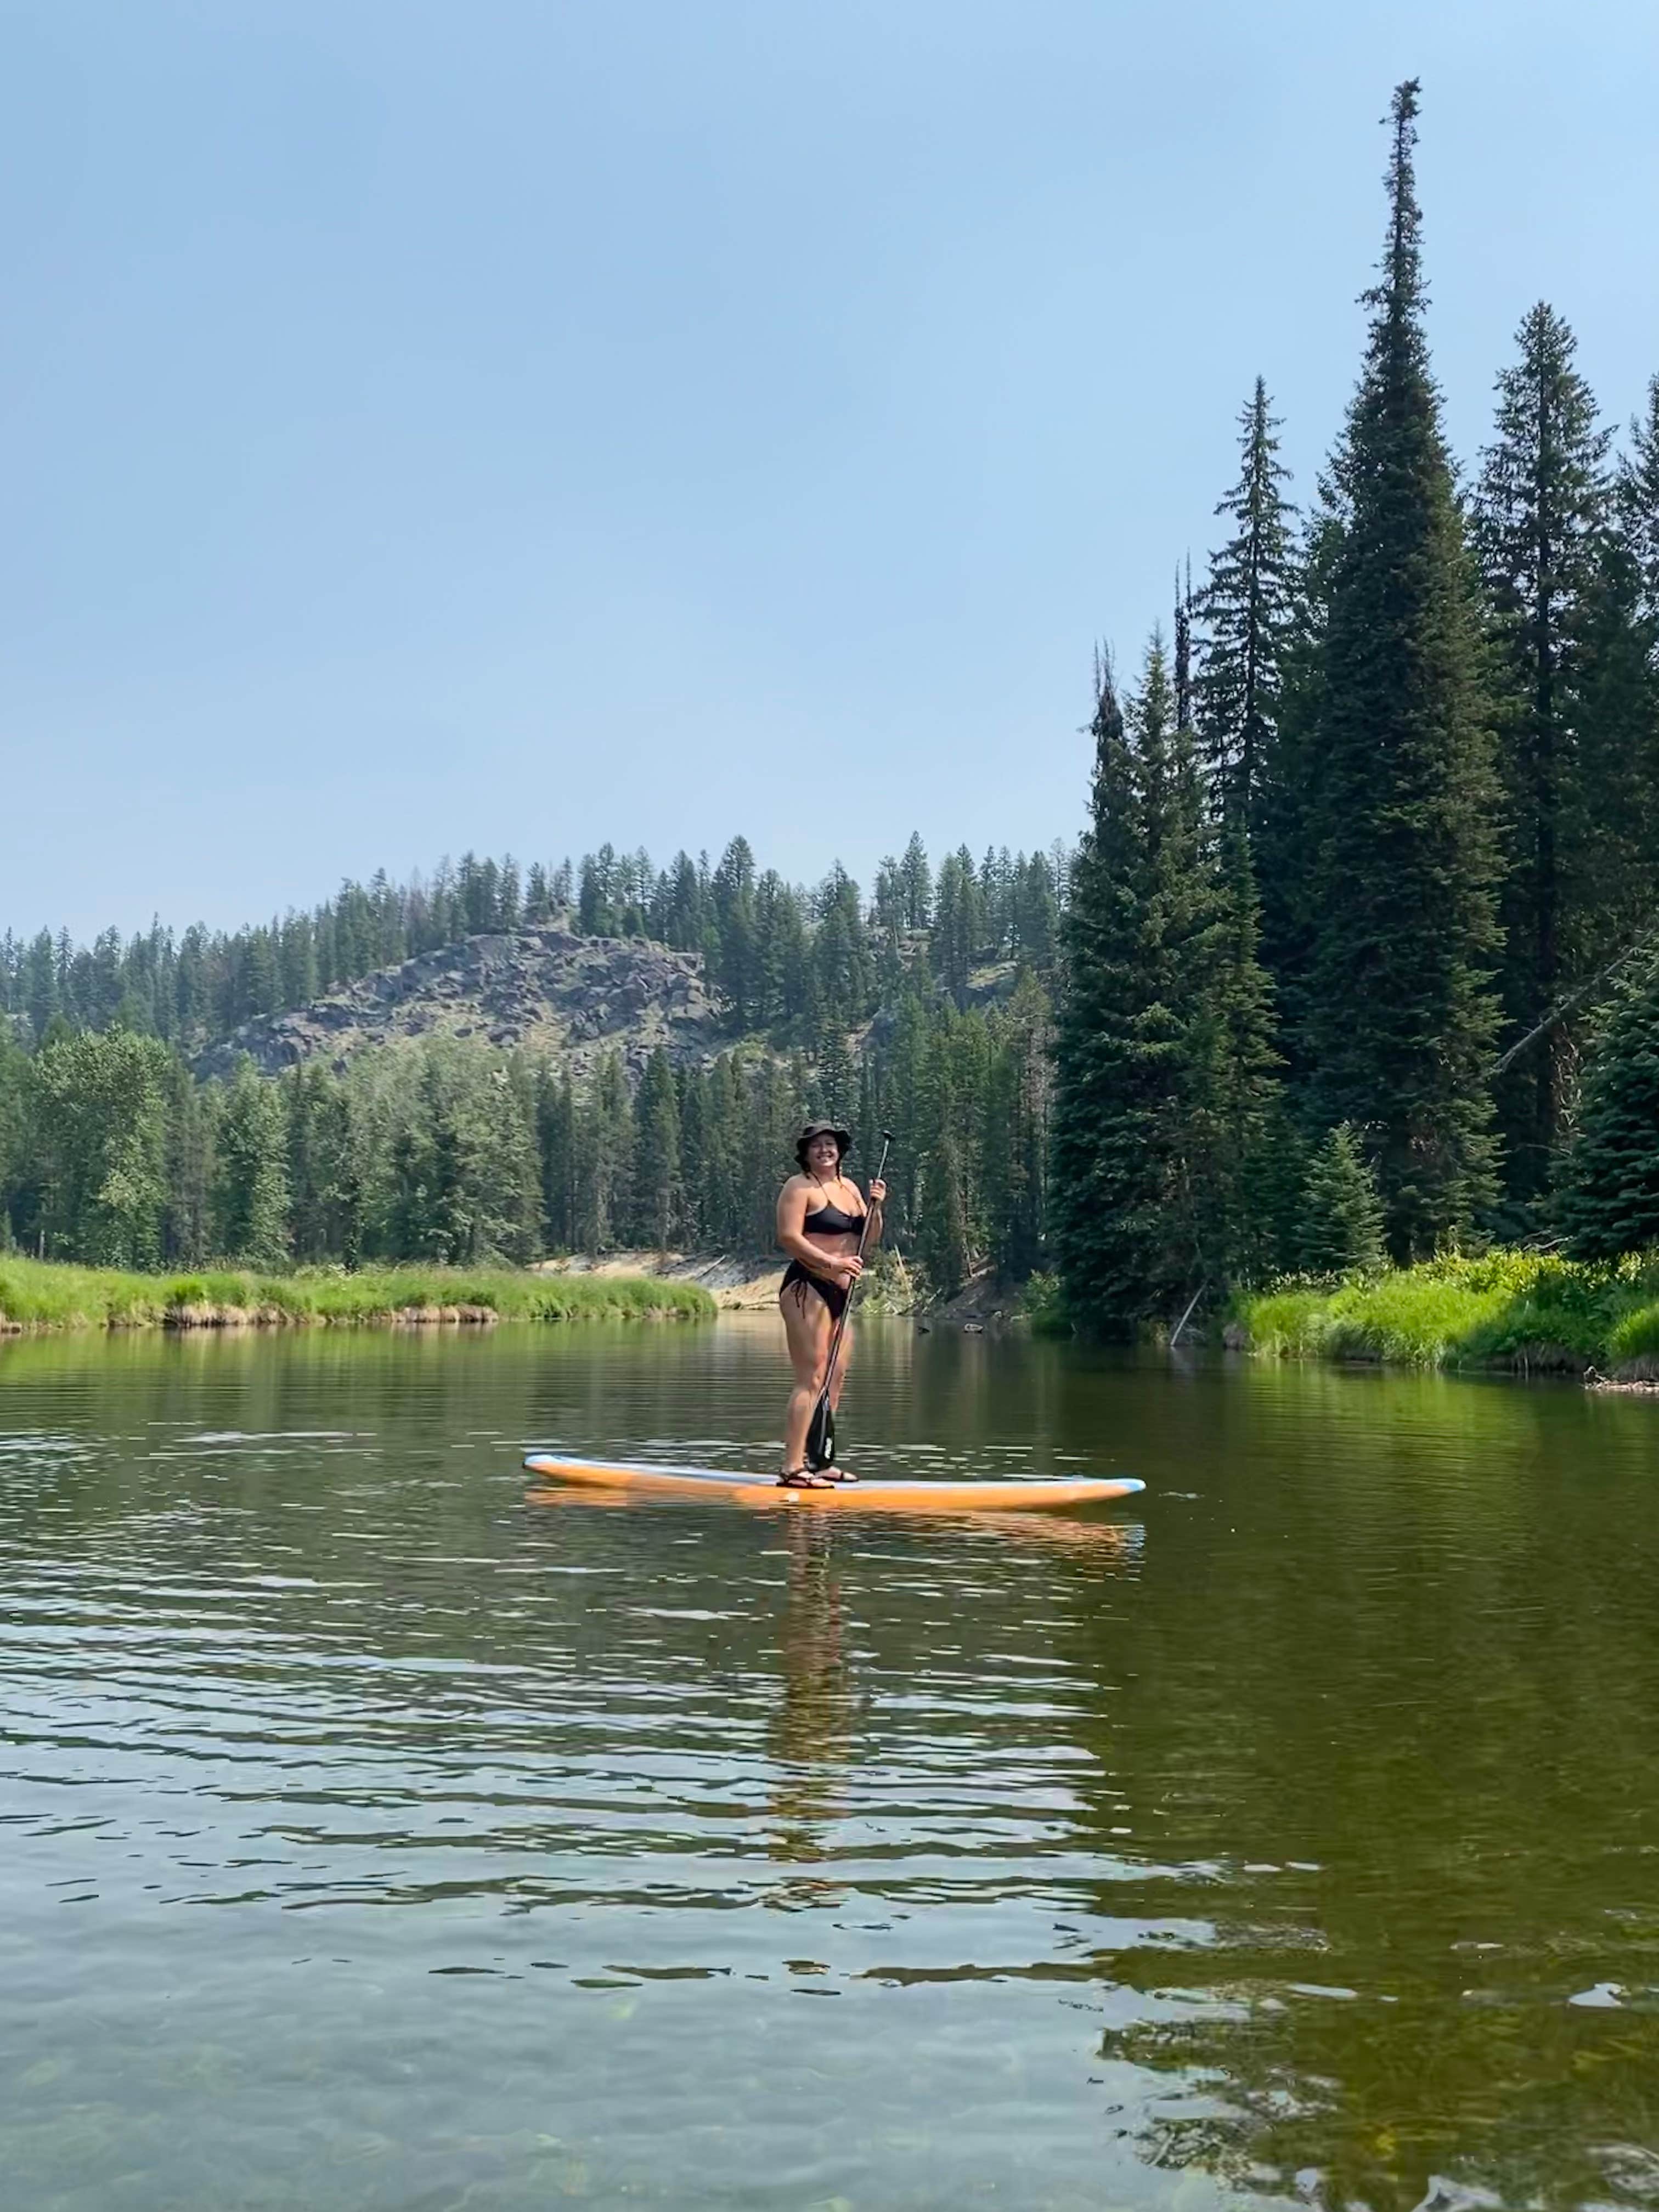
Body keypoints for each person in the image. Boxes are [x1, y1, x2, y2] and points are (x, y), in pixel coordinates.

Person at [775, 1121, 885, 1487]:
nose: (825, 1150)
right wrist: (832, 1264)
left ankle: (820, 1463)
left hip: (842, 1293)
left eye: (831, 1144)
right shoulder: (798, 1187)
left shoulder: (850, 1189)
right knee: (811, 1377)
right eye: (817, 1145)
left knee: (834, 1379)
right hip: (807, 1286)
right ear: (806, 1153)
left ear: (840, 1151)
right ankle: (792, 1468)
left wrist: (876, 1207)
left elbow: (868, 1240)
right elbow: (789, 1238)